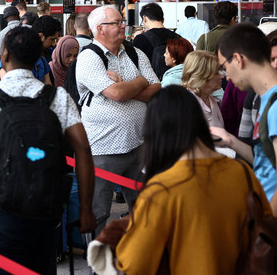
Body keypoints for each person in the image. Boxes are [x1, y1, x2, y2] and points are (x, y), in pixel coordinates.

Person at [0, 26, 96, 274]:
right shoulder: (58, 97)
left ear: (5, 55)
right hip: (46, 210)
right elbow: (83, 150)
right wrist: (85, 209)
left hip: (0, 210)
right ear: (38, 58)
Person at [98, 85, 272, 274]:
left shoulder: (161, 190)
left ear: (155, 132)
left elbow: (135, 263)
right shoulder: (242, 173)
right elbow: (266, 227)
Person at [76, 5, 160, 234]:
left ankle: (142, 255)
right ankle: (98, 262)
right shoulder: (89, 58)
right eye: (117, 22)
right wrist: (140, 81)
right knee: (99, 210)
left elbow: (156, 88)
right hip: (102, 148)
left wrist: (123, 82)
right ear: (100, 29)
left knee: (144, 206)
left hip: (138, 144)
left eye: (122, 21)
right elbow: (116, 94)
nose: (124, 25)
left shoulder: (135, 52)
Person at [218, 23, 277, 215]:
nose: (226, 77)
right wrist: (230, 140)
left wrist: (264, 226)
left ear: (237, 59)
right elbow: (266, 159)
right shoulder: (266, 100)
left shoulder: (275, 105)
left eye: (223, 67)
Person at [132, 2, 179, 79]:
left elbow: (134, 66)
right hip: (174, 84)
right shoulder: (178, 38)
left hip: (151, 85)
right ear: (163, 19)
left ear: (144, 19)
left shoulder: (140, 39)